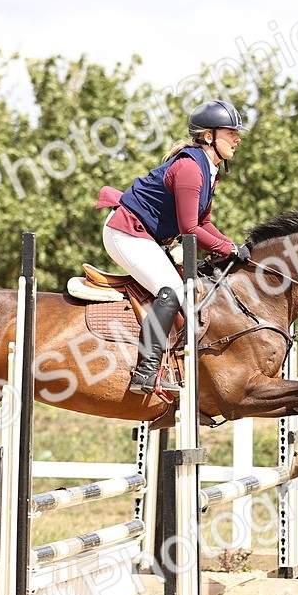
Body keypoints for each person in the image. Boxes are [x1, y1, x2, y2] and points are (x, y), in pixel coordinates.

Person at [96, 99, 252, 397]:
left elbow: (203, 223)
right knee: (171, 288)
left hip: (146, 236)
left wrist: (231, 245)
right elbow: (189, 229)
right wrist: (228, 249)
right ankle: (146, 371)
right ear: (209, 136)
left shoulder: (210, 172)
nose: (237, 138)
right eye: (230, 132)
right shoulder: (191, 169)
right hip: (125, 232)